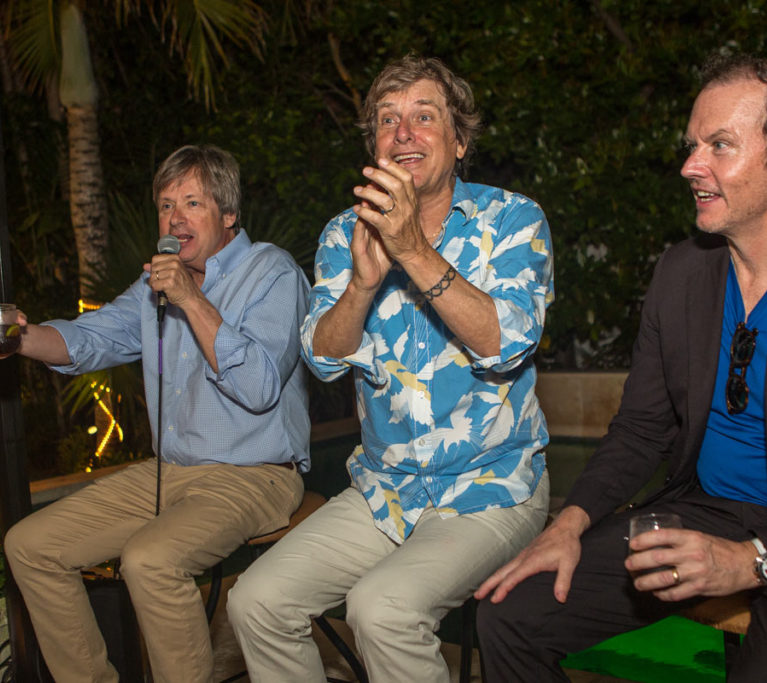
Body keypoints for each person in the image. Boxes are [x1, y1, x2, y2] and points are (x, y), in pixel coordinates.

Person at [476, 53, 767, 682]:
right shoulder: (682, 273)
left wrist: (751, 560)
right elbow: (642, 429)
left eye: (720, 145)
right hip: (702, 511)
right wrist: (570, 522)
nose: (690, 166)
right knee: (509, 612)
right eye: (693, 144)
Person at [227, 55, 553, 682]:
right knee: (256, 602)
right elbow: (322, 360)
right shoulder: (341, 234)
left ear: (459, 142)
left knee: (382, 610)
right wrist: (361, 288)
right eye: (387, 120)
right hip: (385, 490)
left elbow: (505, 343)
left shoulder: (512, 220)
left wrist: (411, 249)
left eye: (424, 117)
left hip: (492, 487)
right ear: (374, 145)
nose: (403, 133)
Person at [0, 144, 311, 683]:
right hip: (171, 472)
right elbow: (91, 338)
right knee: (30, 546)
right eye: (166, 205)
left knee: (149, 559)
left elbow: (257, 387)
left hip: (255, 474)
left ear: (229, 214)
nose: (175, 218)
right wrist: (22, 338)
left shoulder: (272, 273)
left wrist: (190, 298)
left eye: (192, 202)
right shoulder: (155, 286)